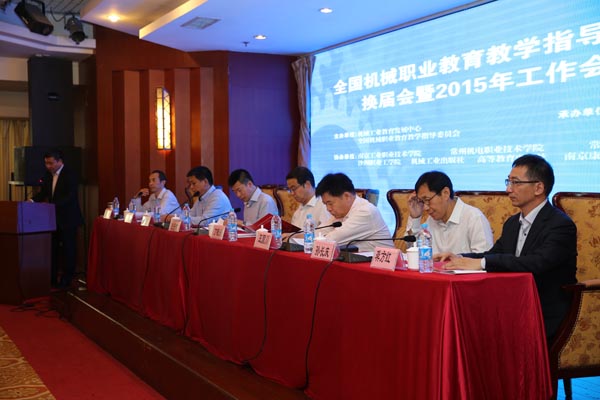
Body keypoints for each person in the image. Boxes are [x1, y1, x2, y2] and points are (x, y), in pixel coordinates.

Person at [437, 154, 577, 340]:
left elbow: (536, 263)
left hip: (544, 312)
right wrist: (459, 257)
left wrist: (482, 263)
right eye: (508, 182)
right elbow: (493, 254)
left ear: (538, 188)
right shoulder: (512, 223)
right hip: (512, 307)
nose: (508, 189)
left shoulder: (560, 225)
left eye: (516, 183)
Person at [405, 171, 493, 253]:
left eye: (427, 200)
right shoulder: (431, 221)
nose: (425, 208)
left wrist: (458, 260)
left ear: (445, 193)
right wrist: (415, 217)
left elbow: (483, 259)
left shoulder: (474, 218)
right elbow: (414, 252)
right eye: (422, 202)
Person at [31, 149, 83, 288]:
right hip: (52, 219)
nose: (48, 166)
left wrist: (52, 205)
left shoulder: (70, 174)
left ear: (59, 161)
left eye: (51, 163)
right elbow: (43, 193)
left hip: (68, 219)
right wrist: (31, 201)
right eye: (46, 163)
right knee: (52, 249)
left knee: (68, 249)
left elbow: (70, 196)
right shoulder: (48, 175)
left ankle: (67, 279)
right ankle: (52, 279)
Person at [315, 173, 392, 252]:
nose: (328, 209)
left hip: (381, 259)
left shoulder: (366, 212)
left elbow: (330, 240)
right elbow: (317, 234)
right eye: (326, 204)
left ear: (347, 196)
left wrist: (313, 240)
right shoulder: (341, 214)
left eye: (330, 203)